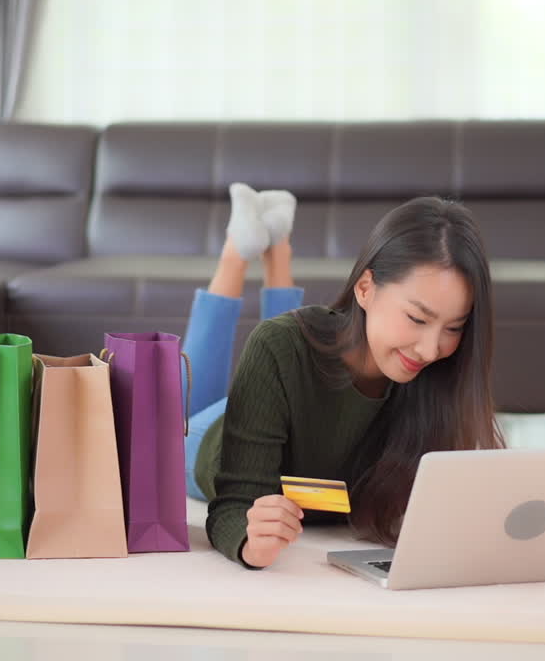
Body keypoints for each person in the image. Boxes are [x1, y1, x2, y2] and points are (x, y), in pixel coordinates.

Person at [182, 182, 503, 569]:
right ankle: (238, 252)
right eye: (417, 318)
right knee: (185, 401)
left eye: (453, 328)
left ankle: (277, 245)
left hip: (288, 396)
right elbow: (236, 502)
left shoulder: (441, 377)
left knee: (289, 344)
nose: (431, 349)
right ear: (365, 288)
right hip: (209, 439)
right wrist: (250, 541)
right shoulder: (280, 348)